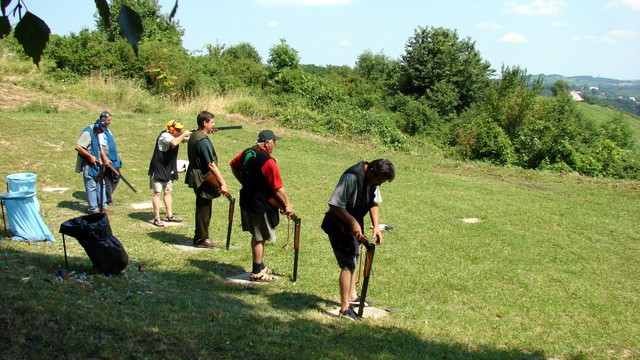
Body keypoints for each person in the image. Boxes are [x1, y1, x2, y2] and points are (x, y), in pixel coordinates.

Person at [321, 159, 395, 320]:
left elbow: (373, 204)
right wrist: (353, 222)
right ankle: (344, 309)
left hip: (353, 222)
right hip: (338, 223)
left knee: (354, 257)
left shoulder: (374, 180)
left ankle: (352, 296)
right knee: (347, 263)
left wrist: (376, 226)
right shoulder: (351, 177)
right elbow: (335, 204)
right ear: (372, 171)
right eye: (378, 181)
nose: (379, 185)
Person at [230, 130, 293, 282]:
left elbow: (233, 164)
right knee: (260, 237)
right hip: (259, 204)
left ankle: (260, 264)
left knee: (257, 234)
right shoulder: (268, 161)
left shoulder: (247, 152)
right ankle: (257, 271)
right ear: (266, 142)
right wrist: (287, 205)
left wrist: (244, 182)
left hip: (247, 199)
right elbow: (278, 188)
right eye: (273, 141)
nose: (274, 145)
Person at [185, 111, 229, 248]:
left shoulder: (196, 135)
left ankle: (201, 236)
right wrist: (222, 182)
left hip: (197, 175)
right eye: (212, 122)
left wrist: (206, 133)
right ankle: (202, 239)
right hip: (203, 177)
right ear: (205, 123)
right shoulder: (202, 140)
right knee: (204, 208)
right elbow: (211, 164)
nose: (213, 125)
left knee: (203, 206)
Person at [148, 119, 191, 227]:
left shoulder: (175, 135)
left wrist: (203, 132)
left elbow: (189, 139)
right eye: (177, 129)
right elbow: (174, 142)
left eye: (180, 129)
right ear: (171, 128)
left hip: (168, 168)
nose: (179, 130)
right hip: (158, 168)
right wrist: (184, 134)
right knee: (157, 193)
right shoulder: (165, 136)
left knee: (168, 191)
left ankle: (169, 215)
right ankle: (156, 218)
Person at [75, 118, 110, 214]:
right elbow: (78, 147)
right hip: (88, 164)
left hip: (98, 164)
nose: (102, 132)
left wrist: (104, 159)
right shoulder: (87, 133)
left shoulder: (97, 133)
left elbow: (99, 147)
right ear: (97, 127)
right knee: (91, 186)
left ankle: (103, 205)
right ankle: (93, 209)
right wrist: (89, 156)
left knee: (101, 184)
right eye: (101, 129)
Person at [97, 111, 122, 206]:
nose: (110, 122)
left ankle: (107, 196)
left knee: (116, 176)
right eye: (108, 120)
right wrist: (105, 159)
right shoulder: (101, 132)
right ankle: (107, 199)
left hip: (114, 158)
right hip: (108, 159)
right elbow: (101, 147)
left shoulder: (107, 130)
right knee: (108, 179)